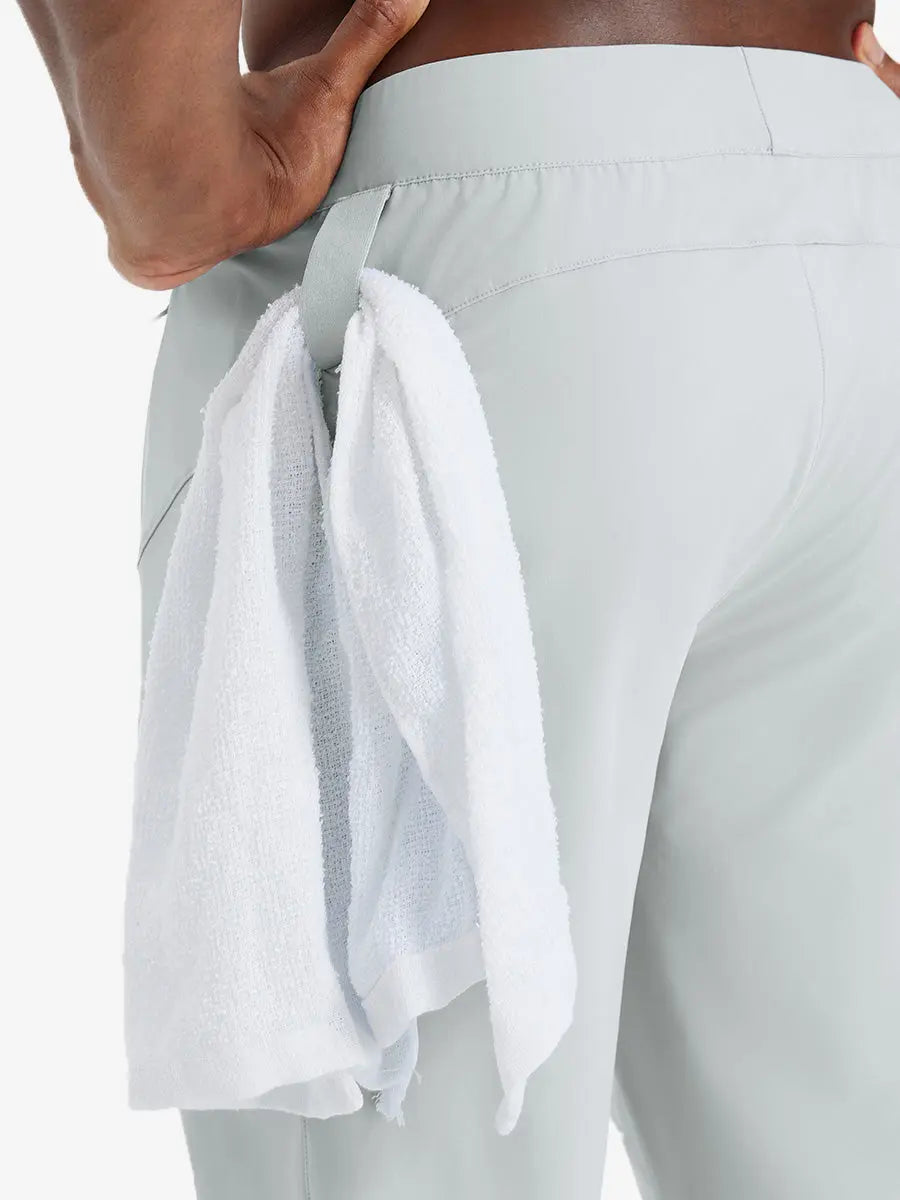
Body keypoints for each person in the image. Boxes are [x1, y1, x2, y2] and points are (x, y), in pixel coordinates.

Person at [17, 2, 900, 1197]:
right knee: (836, 1142)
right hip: (850, 202)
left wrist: (156, 148)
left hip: (484, 228)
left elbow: (169, 162)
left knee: (406, 1139)